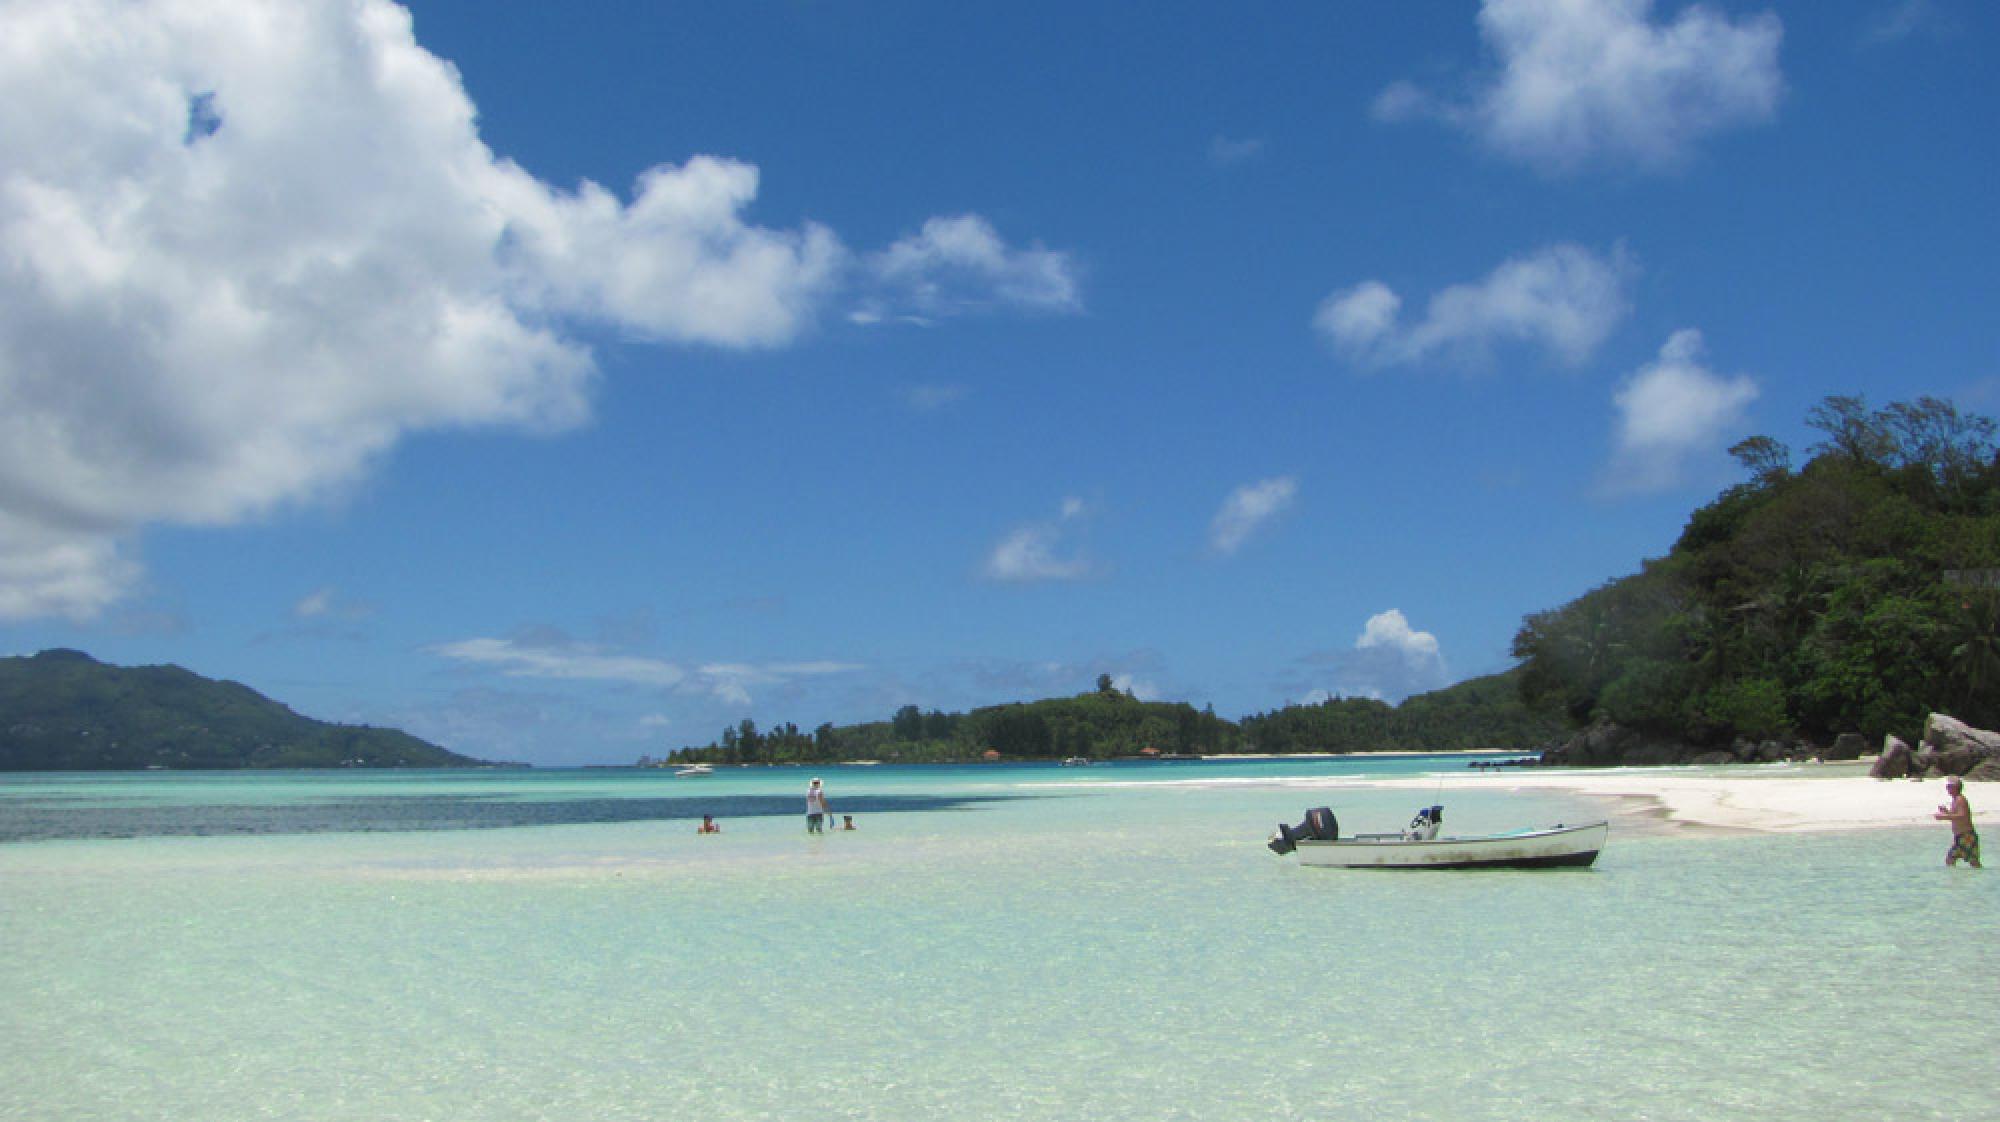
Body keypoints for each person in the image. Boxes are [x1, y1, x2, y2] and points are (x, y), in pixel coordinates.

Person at [1934, 776, 1980, 868]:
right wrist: (1946, 812)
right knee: (1950, 860)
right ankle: (1955, 879)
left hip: (1966, 836)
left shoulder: (1960, 799)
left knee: (1973, 863)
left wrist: (1944, 817)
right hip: (1960, 837)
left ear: (1955, 787)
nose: (1947, 789)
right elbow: (1956, 815)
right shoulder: (1955, 800)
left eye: (1949, 786)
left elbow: (1962, 816)